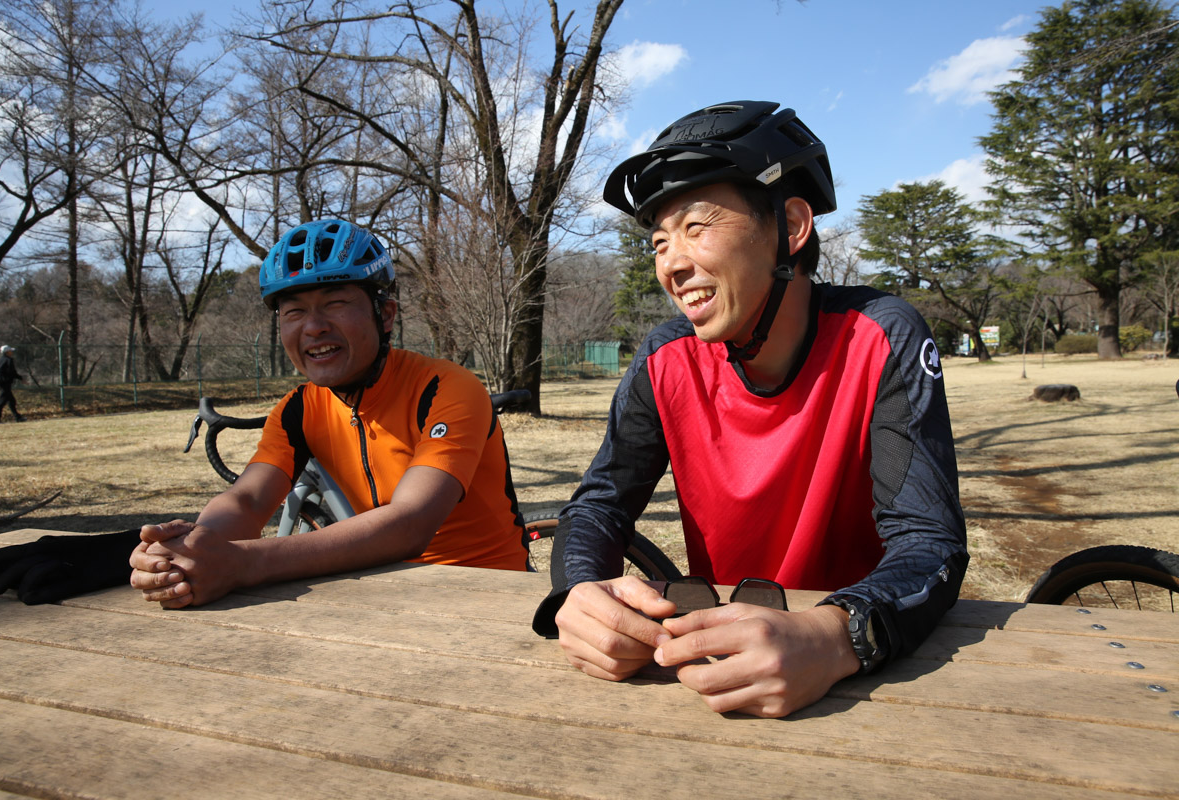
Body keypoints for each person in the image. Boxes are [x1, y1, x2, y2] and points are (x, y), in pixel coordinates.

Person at [533, 101, 968, 718]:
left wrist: (839, 633)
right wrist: (576, 594)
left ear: (791, 225)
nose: (672, 264)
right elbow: (600, 503)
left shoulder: (878, 335)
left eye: (696, 226)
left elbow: (930, 543)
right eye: (659, 242)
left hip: (863, 675)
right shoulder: (666, 357)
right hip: (718, 669)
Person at [129, 219, 528, 609]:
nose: (314, 327)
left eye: (335, 303)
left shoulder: (446, 387)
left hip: (489, 593)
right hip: (382, 592)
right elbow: (248, 500)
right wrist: (186, 555)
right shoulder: (297, 409)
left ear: (385, 315)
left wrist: (244, 562)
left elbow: (411, 522)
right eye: (294, 312)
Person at [0, 345, 27, 424]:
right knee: (2, 401)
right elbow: (12, 372)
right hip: (5, 382)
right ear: (7, 352)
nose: (12, 352)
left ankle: (18, 417)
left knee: (11, 401)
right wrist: (21, 378)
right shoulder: (9, 360)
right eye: (10, 351)